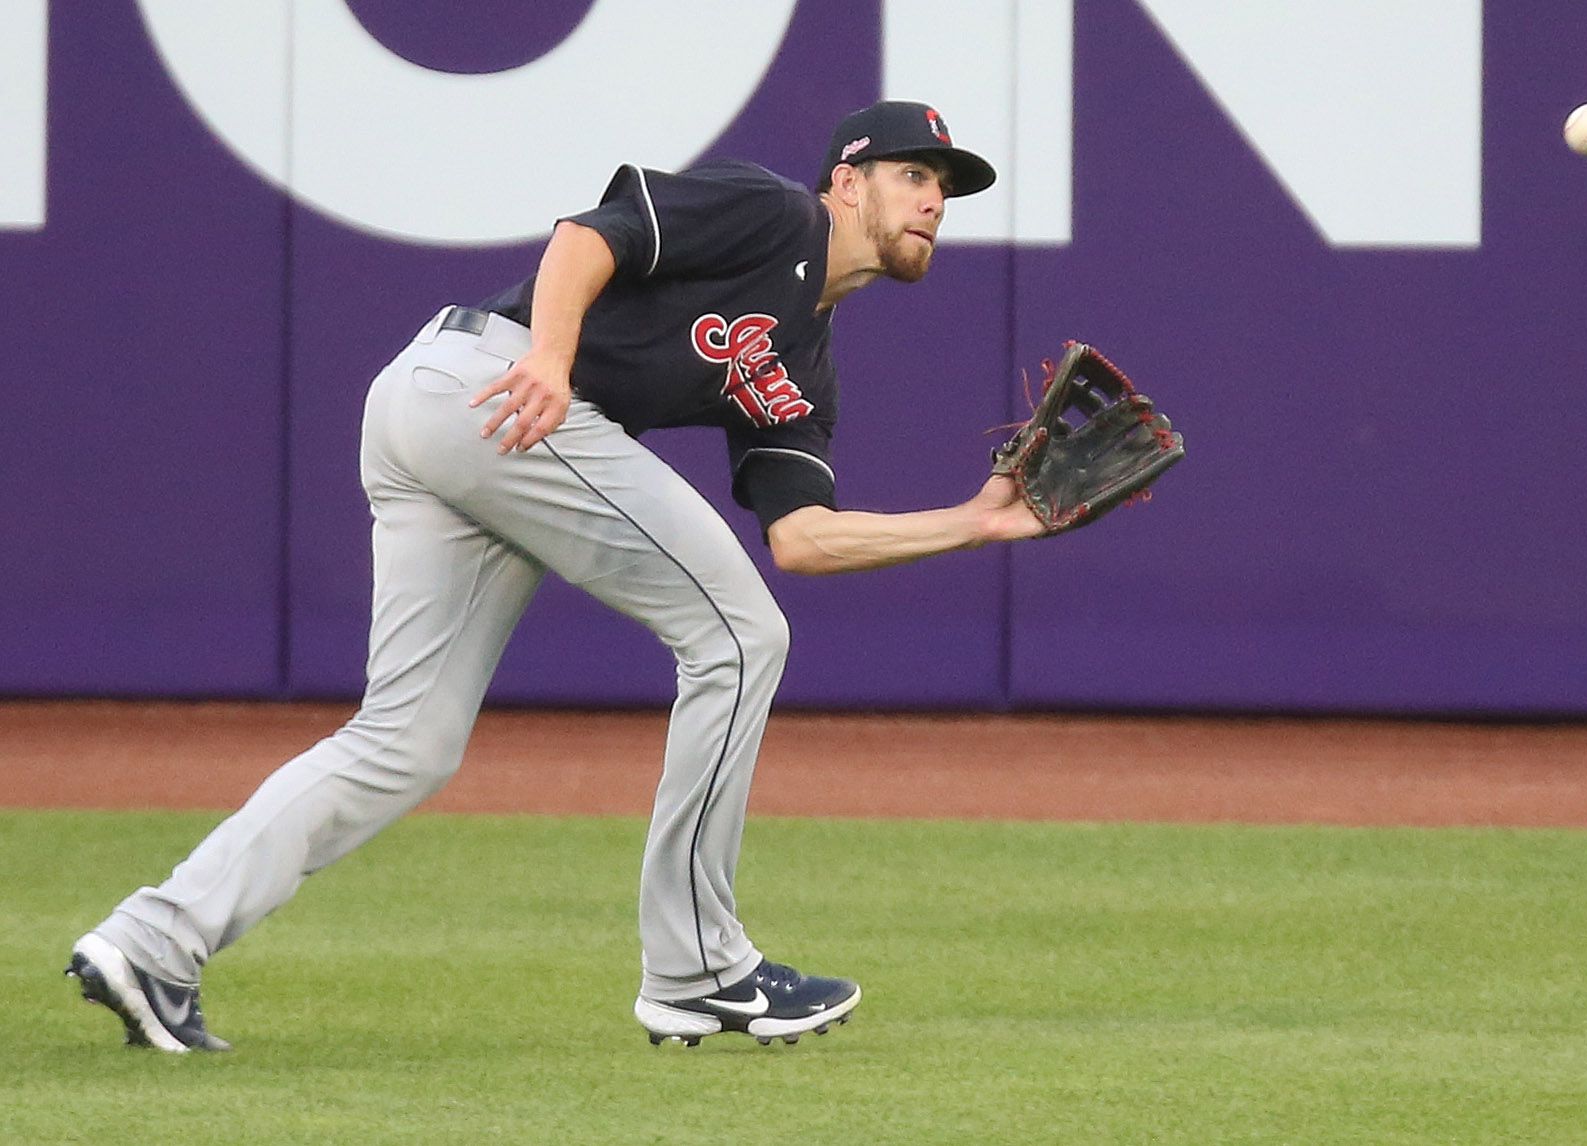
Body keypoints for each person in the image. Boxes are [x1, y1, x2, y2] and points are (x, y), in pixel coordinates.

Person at [66, 100, 1043, 1052]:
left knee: (406, 743)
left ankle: (151, 944)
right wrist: (547, 355)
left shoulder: (802, 362)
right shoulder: (775, 213)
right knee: (739, 636)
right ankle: (698, 972)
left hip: (449, 412)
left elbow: (804, 538)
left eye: (945, 189)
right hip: (492, 392)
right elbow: (590, 236)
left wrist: (975, 521)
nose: (932, 201)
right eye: (913, 174)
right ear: (845, 181)